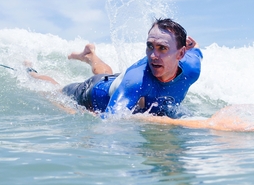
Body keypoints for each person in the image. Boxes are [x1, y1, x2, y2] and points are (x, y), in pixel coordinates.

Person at [28, 18, 201, 118]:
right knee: (56, 91)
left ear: (181, 54)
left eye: (162, 48)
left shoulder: (191, 68)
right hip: (92, 93)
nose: (153, 55)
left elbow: (196, 50)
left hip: (114, 82)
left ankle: (90, 56)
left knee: (107, 75)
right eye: (150, 46)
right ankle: (31, 72)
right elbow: (111, 120)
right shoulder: (136, 80)